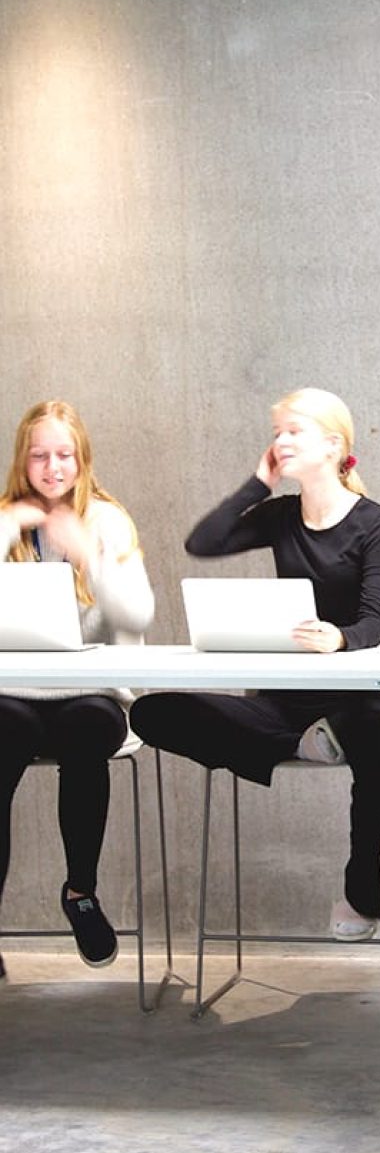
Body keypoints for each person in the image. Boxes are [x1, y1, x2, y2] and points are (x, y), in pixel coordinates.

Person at [130, 387, 380, 940]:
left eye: (293, 430)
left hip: (353, 706)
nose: (281, 440)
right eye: (277, 432)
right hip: (287, 704)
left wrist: (340, 639)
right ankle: (301, 742)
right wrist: (260, 482)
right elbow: (203, 541)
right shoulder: (280, 517)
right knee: (150, 715)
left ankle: (360, 878)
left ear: (332, 444)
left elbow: (375, 622)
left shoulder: (375, 522)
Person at [0, 400, 155, 980]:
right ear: (23, 460)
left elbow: (137, 614)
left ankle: (80, 893)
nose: (52, 466)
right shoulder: (6, 520)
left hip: (91, 694)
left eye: (64, 454)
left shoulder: (107, 520)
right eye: (39, 455)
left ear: (82, 459)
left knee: (87, 730)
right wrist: (10, 528)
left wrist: (89, 555)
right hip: (14, 693)